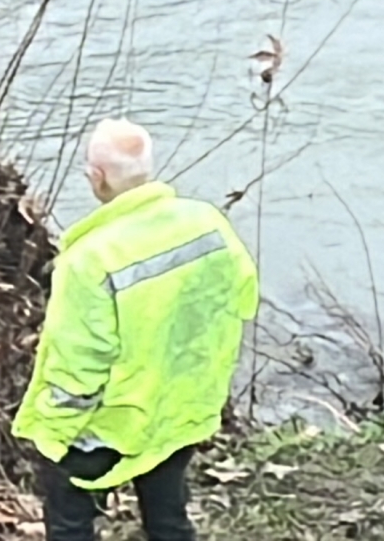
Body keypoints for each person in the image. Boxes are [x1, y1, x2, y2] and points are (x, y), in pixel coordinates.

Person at [13, 119, 260, 541]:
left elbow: (81, 365)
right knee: (168, 518)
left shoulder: (89, 259)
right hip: (180, 407)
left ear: (96, 177)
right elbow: (242, 299)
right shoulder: (206, 223)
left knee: (71, 525)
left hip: (109, 426)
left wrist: (53, 433)